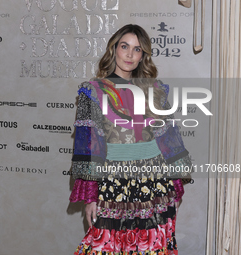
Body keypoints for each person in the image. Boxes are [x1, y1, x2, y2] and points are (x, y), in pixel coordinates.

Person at [69, 24, 192, 255]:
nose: (129, 54)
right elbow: (89, 146)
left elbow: (168, 141)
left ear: (142, 56)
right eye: (124, 46)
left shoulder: (155, 90)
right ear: (114, 49)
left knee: (153, 247)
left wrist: (175, 188)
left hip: (155, 185)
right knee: (107, 247)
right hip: (113, 184)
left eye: (137, 50)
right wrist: (90, 197)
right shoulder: (93, 91)